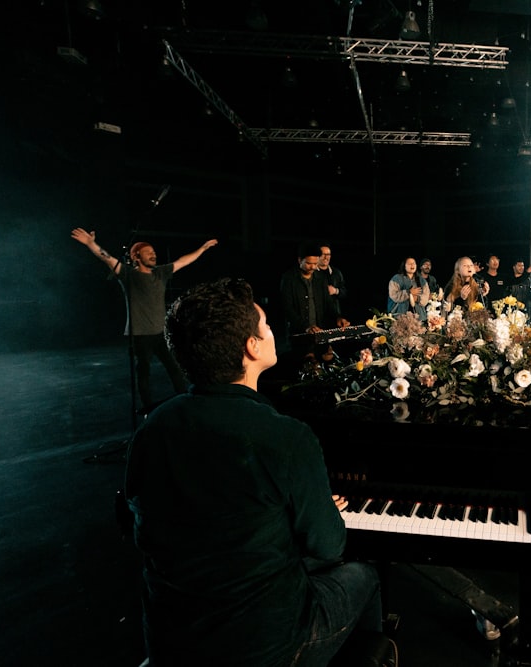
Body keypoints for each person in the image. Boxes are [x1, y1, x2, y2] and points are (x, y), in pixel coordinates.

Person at [124, 277, 382, 666]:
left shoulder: (152, 428)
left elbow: (143, 522)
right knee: (365, 576)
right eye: (266, 326)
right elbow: (328, 546)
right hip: (264, 645)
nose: (272, 332)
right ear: (251, 346)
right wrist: (313, 509)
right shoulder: (285, 436)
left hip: (170, 640)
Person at [70, 228, 217, 412]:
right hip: (140, 335)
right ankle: (147, 409)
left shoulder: (160, 273)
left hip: (161, 333)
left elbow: (183, 261)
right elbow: (106, 257)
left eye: (154, 252)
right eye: (148, 253)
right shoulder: (128, 275)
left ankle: (184, 401)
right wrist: (91, 244)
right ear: (136, 257)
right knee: (143, 373)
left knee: (175, 369)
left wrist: (202, 249)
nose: (153, 255)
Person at [317, 244, 346, 319]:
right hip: (318, 316)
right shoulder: (312, 273)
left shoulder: (337, 272)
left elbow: (345, 292)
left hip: (334, 316)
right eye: (323, 254)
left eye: (328, 254)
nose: (326, 257)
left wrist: (336, 291)